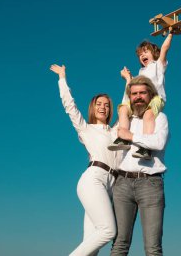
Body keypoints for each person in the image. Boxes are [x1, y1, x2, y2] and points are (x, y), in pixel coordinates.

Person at [50, 64, 119, 256]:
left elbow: (126, 109)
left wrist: (129, 83)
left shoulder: (115, 132)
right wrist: (62, 79)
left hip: (110, 186)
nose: (103, 107)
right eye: (99, 104)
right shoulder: (86, 129)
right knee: (108, 231)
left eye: (106, 105)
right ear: (93, 108)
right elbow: (70, 107)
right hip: (93, 179)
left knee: (92, 246)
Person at [110, 75, 169, 256]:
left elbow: (158, 143)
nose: (138, 97)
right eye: (134, 94)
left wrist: (131, 137)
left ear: (150, 95)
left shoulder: (160, 118)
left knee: (152, 248)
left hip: (150, 183)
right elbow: (112, 139)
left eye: (142, 93)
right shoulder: (125, 120)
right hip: (122, 183)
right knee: (119, 244)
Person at [108, 29, 175, 160]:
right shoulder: (140, 73)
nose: (142, 55)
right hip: (140, 100)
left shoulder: (158, 66)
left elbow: (165, 49)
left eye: (145, 52)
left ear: (154, 53)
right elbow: (131, 92)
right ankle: (123, 139)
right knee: (122, 108)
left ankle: (146, 148)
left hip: (155, 99)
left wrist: (171, 33)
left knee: (148, 114)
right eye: (140, 54)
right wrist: (128, 78)